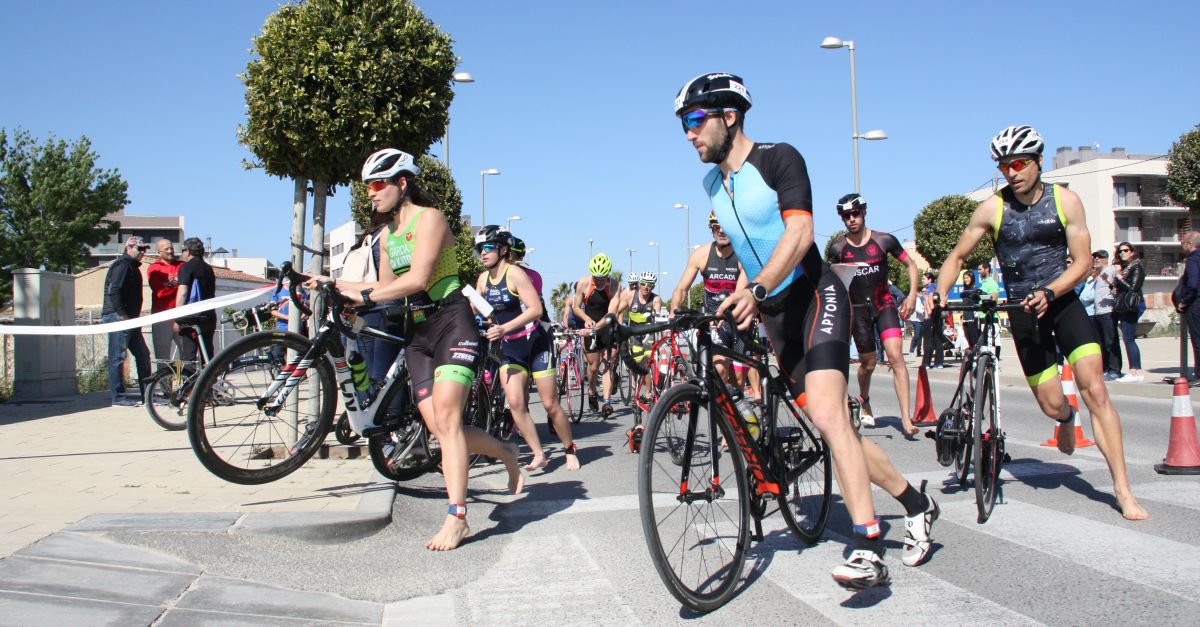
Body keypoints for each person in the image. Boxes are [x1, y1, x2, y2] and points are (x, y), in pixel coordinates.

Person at [676, 72, 938, 588]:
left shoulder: (780, 159)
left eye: (695, 120)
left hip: (816, 295)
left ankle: (867, 546)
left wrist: (759, 288)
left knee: (827, 414)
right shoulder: (711, 185)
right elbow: (750, 249)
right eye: (683, 124)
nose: (689, 133)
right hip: (774, 316)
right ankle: (915, 503)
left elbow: (799, 233)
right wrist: (741, 294)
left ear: (729, 116)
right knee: (836, 430)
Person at [934, 124, 1146, 521]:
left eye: (1018, 164)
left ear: (1038, 162)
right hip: (1022, 311)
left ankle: (1123, 489)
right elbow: (958, 256)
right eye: (1004, 166)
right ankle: (1066, 417)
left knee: (1095, 388)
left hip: (1062, 303)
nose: (1011, 172)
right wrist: (941, 293)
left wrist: (1051, 291)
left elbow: (1082, 262)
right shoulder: (992, 209)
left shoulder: (1066, 201)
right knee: (1050, 404)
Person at [318, 148, 522, 551]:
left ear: (402, 182)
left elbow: (417, 279)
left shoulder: (431, 218)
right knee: (440, 427)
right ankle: (505, 451)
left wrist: (362, 295)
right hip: (418, 334)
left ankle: (457, 517)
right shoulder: (387, 235)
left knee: (447, 419)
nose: (371, 193)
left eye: (378, 184)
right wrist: (333, 284)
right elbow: (384, 289)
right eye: (368, 186)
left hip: (452, 323)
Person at [474, 226, 579, 472]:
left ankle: (569, 449)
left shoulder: (515, 274)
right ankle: (538, 453)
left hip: (536, 343)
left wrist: (503, 328)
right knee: (515, 402)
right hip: (511, 348)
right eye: (479, 249)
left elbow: (535, 310)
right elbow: (477, 309)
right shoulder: (482, 279)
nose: (483, 253)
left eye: (488, 248)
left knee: (550, 404)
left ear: (503, 250)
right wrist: (474, 308)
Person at [827, 193, 921, 435]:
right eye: (846, 216)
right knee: (868, 363)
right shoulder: (838, 248)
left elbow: (910, 264)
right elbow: (832, 283)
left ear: (864, 212)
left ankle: (906, 418)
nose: (851, 219)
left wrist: (912, 295)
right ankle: (864, 398)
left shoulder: (884, 240)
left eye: (855, 213)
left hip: (884, 306)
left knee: (896, 357)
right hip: (858, 312)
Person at [669, 211, 748, 388]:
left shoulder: (742, 255)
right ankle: (718, 405)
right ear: (711, 229)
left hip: (738, 319)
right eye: (716, 227)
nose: (721, 231)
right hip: (713, 323)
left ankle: (734, 405)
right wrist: (674, 314)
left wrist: (726, 314)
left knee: (737, 381)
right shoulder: (701, 255)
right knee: (719, 370)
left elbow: (740, 294)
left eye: (725, 226)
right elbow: (681, 289)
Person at [102, 236, 153, 407]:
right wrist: (122, 315)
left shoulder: (132, 266)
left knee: (143, 354)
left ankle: (147, 394)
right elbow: (114, 290)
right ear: (129, 248)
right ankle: (118, 397)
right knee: (118, 357)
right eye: (140, 249)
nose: (142, 252)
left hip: (130, 319)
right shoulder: (122, 265)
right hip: (119, 317)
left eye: (144, 249)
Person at [572, 253, 618, 412]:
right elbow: (576, 307)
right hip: (589, 327)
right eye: (596, 278)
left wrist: (595, 327)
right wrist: (586, 319)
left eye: (602, 278)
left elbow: (611, 313)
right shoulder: (583, 283)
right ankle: (591, 390)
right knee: (593, 366)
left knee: (608, 363)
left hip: (606, 326)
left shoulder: (614, 285)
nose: (599, 281)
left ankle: (607, 401)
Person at [173, 238, 217, 362]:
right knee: (207, 355)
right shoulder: (208, 268)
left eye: (183, 250)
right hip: (209, 317)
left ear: (188, 251)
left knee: (188, 357)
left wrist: (177, 318)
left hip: (192, 318)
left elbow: (182, 293)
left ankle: (188, 375)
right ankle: (210, 374)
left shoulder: (186, 267)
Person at [1112, 241, 1146, 383]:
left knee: (1129, 338)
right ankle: (1135, 371)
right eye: (1120, 251)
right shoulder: (1127, 268)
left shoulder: (1137, 267)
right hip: (1125, 306)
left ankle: (1135, 372)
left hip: (1132, 306)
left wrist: (1119, 276)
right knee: (1128, 338)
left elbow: (1133, 288)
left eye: (1125, 250)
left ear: (1132, 252)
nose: (1122, 253)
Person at [145, 239, 183, 360]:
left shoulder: (182, 266)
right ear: (159, 252)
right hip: (162, 317)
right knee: (162, 357)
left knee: (187, 356)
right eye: (166, 249)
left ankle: (184, 374)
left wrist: (171, 285)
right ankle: (164, 374)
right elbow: (160, 293)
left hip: (182, 317)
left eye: (171, 248)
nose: (170, 251)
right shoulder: (154, 268)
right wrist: (176, 285)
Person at [1091, 250, 1121, 381]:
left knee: (1111, 342)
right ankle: (1106, 369)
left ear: (1106, 259)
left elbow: (1117, 286)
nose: (1097, 259)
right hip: (1098, 312)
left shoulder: (1110, 270)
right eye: (1095, 257)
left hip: (1108, 311)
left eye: (1100, 257)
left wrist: (1109, 282)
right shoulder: (1098, 274)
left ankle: (1115, 370)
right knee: (1101, 343)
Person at [1176, 233, 1200, 384]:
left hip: (1195, 303)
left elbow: (1192, 284)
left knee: (1197, 340)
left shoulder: (1192, 260)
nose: (1182, 244)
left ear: (1190, 244)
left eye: (1183, 242)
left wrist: (1184, 302)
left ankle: (1199, 375)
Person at [921, 271, 945, 368]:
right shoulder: (933, 288)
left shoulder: (931, 288)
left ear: (929, 280)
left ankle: (926, 363)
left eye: (924, 279)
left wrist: (928, 311)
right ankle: (938, 362)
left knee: (928, 340)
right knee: (937, 339)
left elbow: (930, 301)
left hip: (931, 317)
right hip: (935, 316)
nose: (922, 280)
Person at [959, 271, 981, 349]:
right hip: (965, 317)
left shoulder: (975, 289)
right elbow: (964, 304)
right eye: (964, 278)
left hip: (972, 317)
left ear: (972, 278)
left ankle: (976, 353)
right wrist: (962, 318)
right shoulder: (964, 289)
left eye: (967, 278)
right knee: (968, 338)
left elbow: (977, 302)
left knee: (974, 338)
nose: (966, 280)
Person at [907, 277, 925, 357]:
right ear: (920, 292)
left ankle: (919, 351)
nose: (924, 293)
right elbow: (918, 309)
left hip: (924, 320)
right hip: (916, 320)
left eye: (925, 292)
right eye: (923, 292)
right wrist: (925, 312)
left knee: (922, 336)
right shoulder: (918, 299)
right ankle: (911, 350)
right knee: (917, 335)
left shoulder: (926, 298)